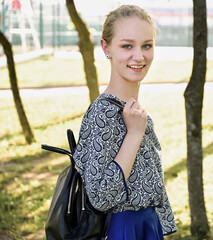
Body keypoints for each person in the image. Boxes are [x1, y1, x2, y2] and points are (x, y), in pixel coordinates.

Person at [73, 5, 177, 240]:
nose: (139, 56)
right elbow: (99, 196)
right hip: (121, 230)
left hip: (146, 227)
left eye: (147, 45)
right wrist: (133, 135)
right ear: (106, 48)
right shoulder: (104, 113)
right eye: (127, 46)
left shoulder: (132, 110)